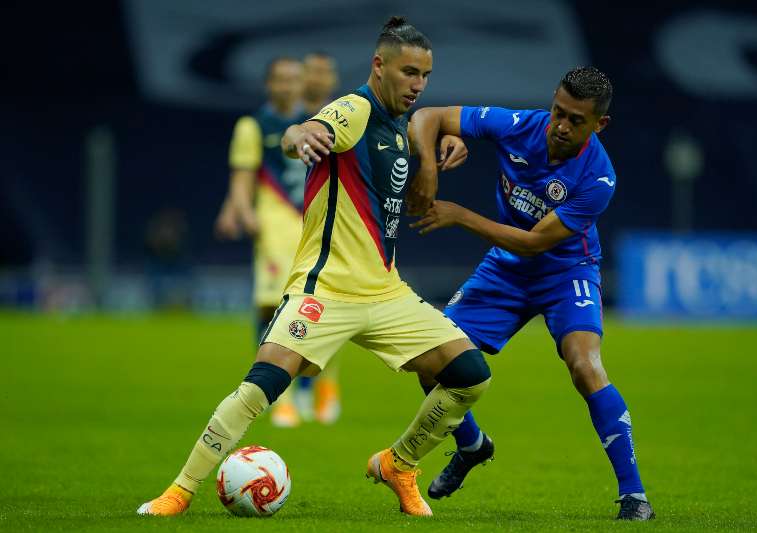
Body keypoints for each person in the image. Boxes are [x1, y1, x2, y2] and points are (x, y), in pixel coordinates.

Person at [137, 16, 486, 518]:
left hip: (387, 293)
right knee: (260, 386)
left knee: (470, 374)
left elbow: (401, 174)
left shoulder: (398, 127)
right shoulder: (354, 108)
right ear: (378, 65)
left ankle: (400, 464)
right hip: (325, 292)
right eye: (409, 72)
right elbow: (307, 130)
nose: (418, 85)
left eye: (425, 75)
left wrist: (438, 149)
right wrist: (299, 136)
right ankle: (179, 491)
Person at [407, 66, 655, 521]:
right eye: (558, 111)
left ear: (599, 125)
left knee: (585, 365)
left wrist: (459, 214)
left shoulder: (598, 179)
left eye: (575, 120)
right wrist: (429, 164)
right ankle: (473, 446)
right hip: (506, 269)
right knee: (430, 356)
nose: (560, 125)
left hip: (566, 271)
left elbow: (535, 242)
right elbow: (427, 117)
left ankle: (634, 495)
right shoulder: (521, 125)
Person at [214, 55, 342, 427]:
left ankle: (319, 387)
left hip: (316, 224)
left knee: (322, 308)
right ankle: (279, 393)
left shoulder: (319, 122)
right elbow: (244, 175)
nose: (287, 86)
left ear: (303, 82)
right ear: (269, 84)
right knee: (272, 308)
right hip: (274, 225)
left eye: (293, 79)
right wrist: (240, 209)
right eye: (280, 80)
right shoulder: (254, 125)